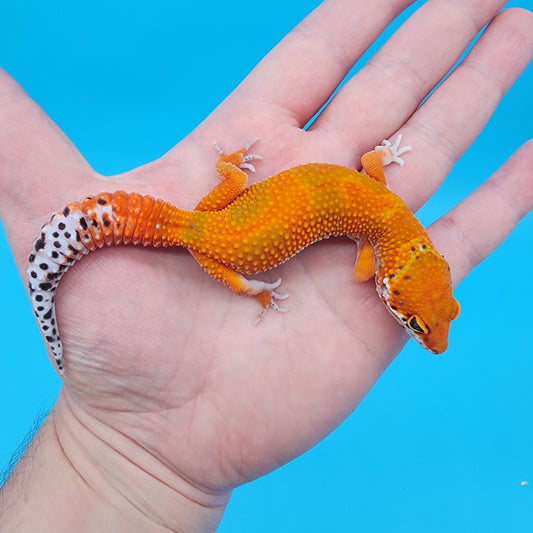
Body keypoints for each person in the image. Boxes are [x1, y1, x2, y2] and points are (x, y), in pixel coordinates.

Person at [0, 0, 532, 531]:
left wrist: (241, 171)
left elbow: (371, 162)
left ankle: (222, 181)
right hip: (217, 248)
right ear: (394, 283)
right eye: (419, 323)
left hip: (215, 213)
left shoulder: (384, 205)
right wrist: (253, 289)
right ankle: (244, 285)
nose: (430, 338)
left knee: (228, 212)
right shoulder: (375, 249)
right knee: (242, 278)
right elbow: (358, 271)